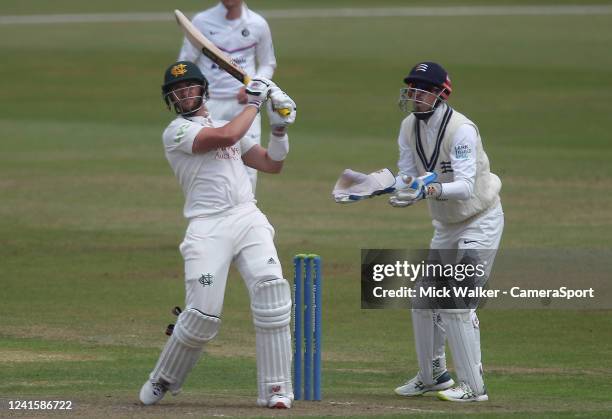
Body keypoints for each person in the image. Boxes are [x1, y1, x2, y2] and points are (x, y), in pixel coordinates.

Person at [333, 62, 503, 402]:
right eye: (411, 88)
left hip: (480, 221)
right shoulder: (409, 126)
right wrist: (376, 185)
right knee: (423, 299)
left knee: (457, 301)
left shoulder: (461, 130)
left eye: (421, 89)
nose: (414, 95)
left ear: (441, 93)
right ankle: (433, 375)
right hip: (446, 226)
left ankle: (475, 386)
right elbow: (408, 177)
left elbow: (466, 186)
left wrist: (428, 191)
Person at [138, 60, 296, 409]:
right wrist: (256, 103)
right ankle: (164, 378)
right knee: (202, 318)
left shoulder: (227, 124)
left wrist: (280, 127)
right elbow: (227, 137)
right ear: (171, 100)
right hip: (208, 227)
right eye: (178, 92)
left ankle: (276, 389)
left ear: (203, 89)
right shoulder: (176, 132)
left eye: (190, 88)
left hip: (247, 216)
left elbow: (273, 164)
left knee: (273, 293)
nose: (185, 95)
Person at [178, 0, 277, 194]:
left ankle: (246, 218)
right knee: (211, 165)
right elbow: (185, 63)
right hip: (211, 105)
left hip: (246, 106)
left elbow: (268, 63)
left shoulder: (258, 24)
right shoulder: (202, 21)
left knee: (249, 170)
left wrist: (253, 86)